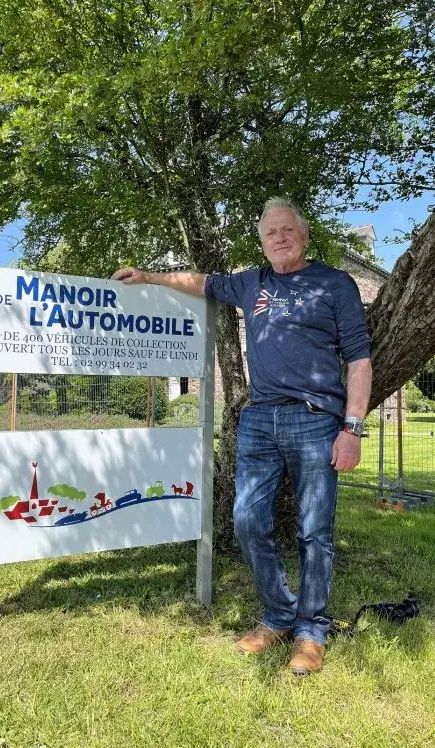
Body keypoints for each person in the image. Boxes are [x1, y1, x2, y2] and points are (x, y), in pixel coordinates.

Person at [112, 197, 372, 675]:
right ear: (262, 242)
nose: (280, 238)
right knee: (247, 520)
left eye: (288, 230)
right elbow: (201, 283)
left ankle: (311, 630)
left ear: (304, 235)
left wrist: (352, 427)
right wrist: (149, 277)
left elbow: (359, 359)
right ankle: (279, 616)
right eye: (271, 232)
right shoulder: (252, 282)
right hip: (259, 420)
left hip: (316, 420)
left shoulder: (335, 284)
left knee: (315, 530)